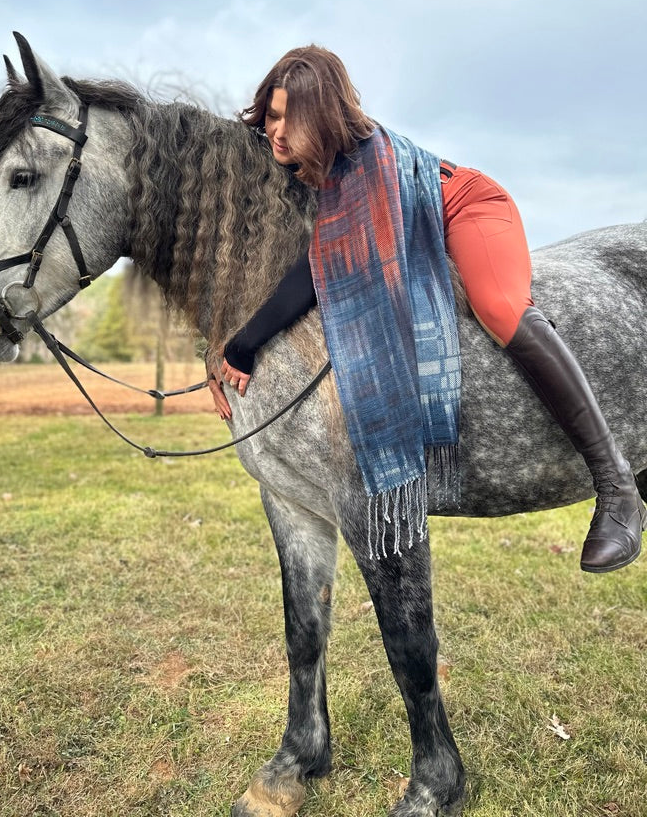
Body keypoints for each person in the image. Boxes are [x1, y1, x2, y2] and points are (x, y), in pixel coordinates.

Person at [210, 45, 645, 573]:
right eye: (272, 114)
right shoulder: (289, 162)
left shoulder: (367, 163)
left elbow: (315, 270)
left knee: (499, 308)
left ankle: (616, 484)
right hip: (423, 218)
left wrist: (244, 344)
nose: (277, 130)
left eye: (292, 118)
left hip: (466, 205)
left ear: (323, 118)